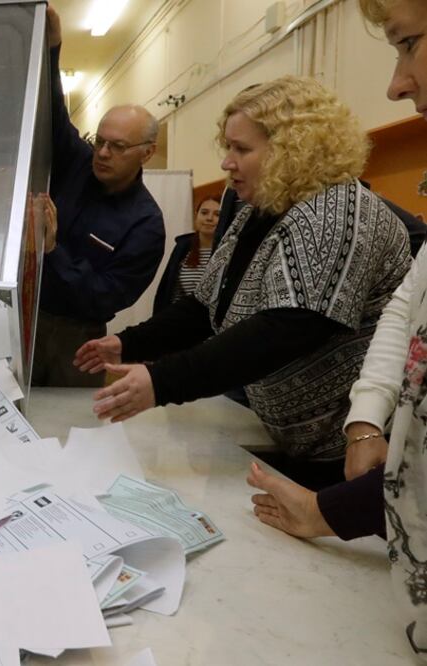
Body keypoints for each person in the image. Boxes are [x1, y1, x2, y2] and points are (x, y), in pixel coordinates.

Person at [75, 75, 410, 487]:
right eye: (228, 147)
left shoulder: (336, 211)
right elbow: (204, 305)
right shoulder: (261, 210)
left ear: (292, 151)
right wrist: (129, 343)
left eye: (241, 149)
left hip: (354, 454)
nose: (226, 162)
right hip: (293, 440)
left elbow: (286, 329)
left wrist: (163, 381)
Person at [247, 0, 427, 657]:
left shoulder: (335, 214)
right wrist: (367, 418)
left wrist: (329, 512)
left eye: (406, 45)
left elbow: (287, 325)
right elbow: (408, 310)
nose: (394, 83)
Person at [32, 6, 165, 388]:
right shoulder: (79, 164)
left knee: (71, 428)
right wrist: (53, 46)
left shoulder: (146, 224)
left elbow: (103, 299)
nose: (103, 153)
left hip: (77, 340)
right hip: (28, 317)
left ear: (147, 152)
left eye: (118, 146)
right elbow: (55, 113)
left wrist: (54, 250)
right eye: (100, 141)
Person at [152, 196, 220, 313]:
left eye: (217, 214)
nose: (209, 218)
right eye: (204, 213)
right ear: (196, 215)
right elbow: (167, 290)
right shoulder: (182, 247)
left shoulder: (228, 250)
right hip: (178, 320)